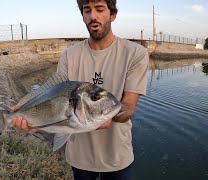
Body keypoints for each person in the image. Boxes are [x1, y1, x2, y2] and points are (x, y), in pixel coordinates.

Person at [10, 0, 149, 179]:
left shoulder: (135, 53)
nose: (93, 16)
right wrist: (29, 110)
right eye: (87, 10)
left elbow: (128, 106)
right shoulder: (70, 55)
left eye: (99, 9)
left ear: (113, 14)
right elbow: (51, 92)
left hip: (117, 157)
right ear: (83, 16)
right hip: (79, 158)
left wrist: (107, 117)